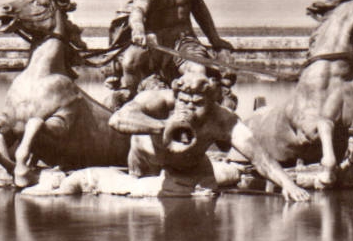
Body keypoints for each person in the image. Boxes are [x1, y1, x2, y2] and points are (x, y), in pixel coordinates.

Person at [107, 68, 310, 201]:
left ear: (211, 102)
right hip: (148, 161)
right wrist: (164, 126)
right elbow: (117, 119)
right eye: (184, 101)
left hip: (191, 166)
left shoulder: (222, 119)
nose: (189, 109)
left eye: (197, 104)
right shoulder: (158, 101)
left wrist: (287, 184)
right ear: (175, 97)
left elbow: (258, 156)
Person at [116, 0, 234, 98]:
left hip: (184, 40)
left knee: (197, 69)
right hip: (154, 40)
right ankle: (128, 101)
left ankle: (188, 107)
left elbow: (199, 9)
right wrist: (138, 29)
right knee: (130, 62)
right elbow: (139, 7)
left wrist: (215, 39)